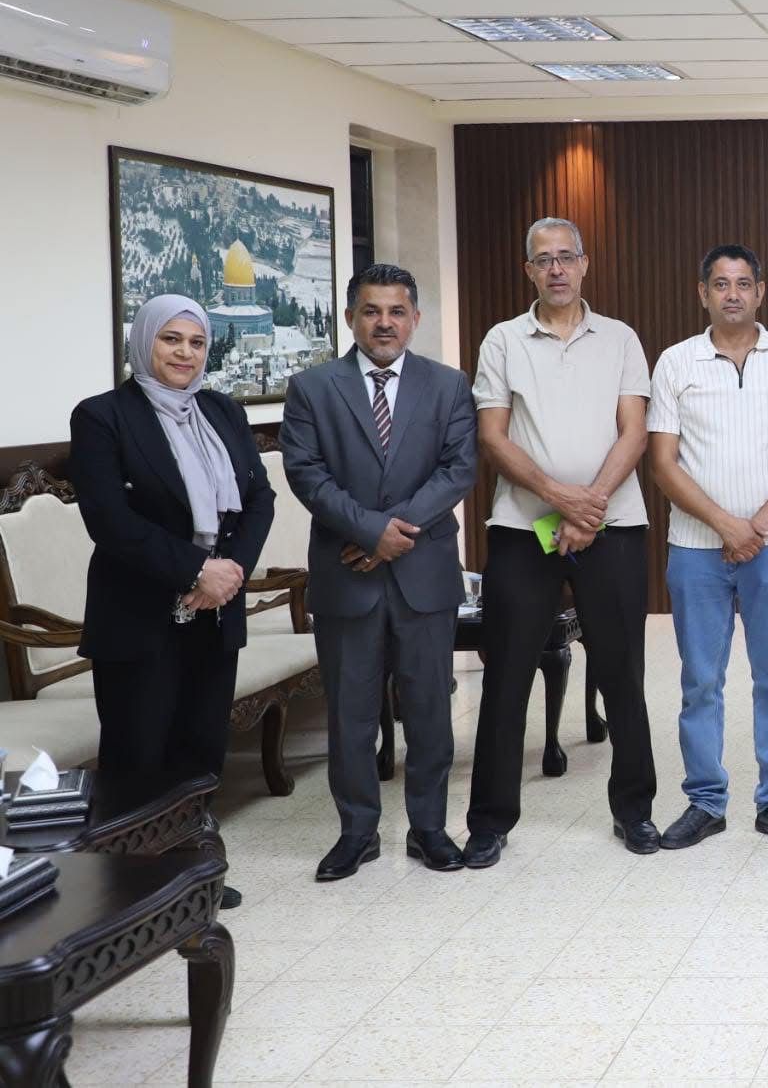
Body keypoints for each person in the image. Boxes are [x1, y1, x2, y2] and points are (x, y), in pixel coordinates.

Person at [461, 218, 659, 867]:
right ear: (528, 270)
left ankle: (635, 810)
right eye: (543, 259)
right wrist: (560, 496)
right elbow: (492, 436)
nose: (556, 269)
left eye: (566, 257)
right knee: (506, 673)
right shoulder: (503, 340)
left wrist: (588, 504)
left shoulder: (621, 338)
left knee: (622, 671)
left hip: (613, 525)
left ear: (584, 264)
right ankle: (489, 821)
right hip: (524, 529)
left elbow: (634, 432)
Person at [71, 294, 276, 908]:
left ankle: (191, 874)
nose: (185, 353)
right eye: (171, 339)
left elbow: (259, 498)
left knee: (201, 747)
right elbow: (110, 521)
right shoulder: (103, 416)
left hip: (216, 611)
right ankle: (132, 891)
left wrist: (230, 573)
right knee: (139, 752)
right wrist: (195, 569)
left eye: (196, 342)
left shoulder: (221, 410)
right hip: (139, 615)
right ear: (144, 342)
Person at [281, 263, 477, 881]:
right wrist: (370, 531)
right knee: (351, 714)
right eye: (371, 311)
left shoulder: (448, 385)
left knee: (430, 709)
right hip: (347, 576)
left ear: (415, 319)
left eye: (396, 312)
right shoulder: (312, 388)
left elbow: (458, 469)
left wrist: (393, 533)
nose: (384, 323)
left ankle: (429, 828)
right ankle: (357, 833)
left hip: (424, 574)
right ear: (350, 318)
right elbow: (306, 474)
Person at [649, 244, 768, 849]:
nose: (733, 294)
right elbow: (663, 463)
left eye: (743, 283)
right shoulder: (676, 362)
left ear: (760, 292)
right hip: (695, 547)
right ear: (703, 293)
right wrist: (726, 525)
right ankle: (705, 801)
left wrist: (758, 526)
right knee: (700, 680)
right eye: (721, 284)